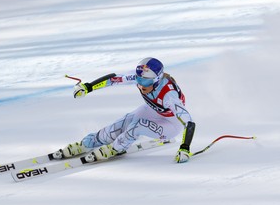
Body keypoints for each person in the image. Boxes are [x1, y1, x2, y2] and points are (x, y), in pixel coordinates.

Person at [58, 57, 195, 163]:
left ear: (157, 80)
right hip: (154, 110)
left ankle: (115, 148)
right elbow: (113, 79)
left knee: (137, 126)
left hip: (171, 124)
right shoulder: (141, 79)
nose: (141, 85)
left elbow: (188, 122)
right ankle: (88, 143)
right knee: (121, 124)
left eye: (146, 82)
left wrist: (185, 148)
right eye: (139, 80)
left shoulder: (168, 96)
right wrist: (88, 87)